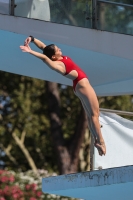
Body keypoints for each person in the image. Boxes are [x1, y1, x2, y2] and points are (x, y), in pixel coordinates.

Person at [20, 36, 106, 156]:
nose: (60, 49)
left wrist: (32, 39)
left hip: (79, 85)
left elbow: (43, 48)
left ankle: (96, 140)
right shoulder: (57, 65)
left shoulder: (56, 56)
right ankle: (101, 142)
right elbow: (45, 57)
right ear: (54, 56)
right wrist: (30, 52)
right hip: (83, 85)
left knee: (91, 115)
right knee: (95, 115)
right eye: (58, 50)